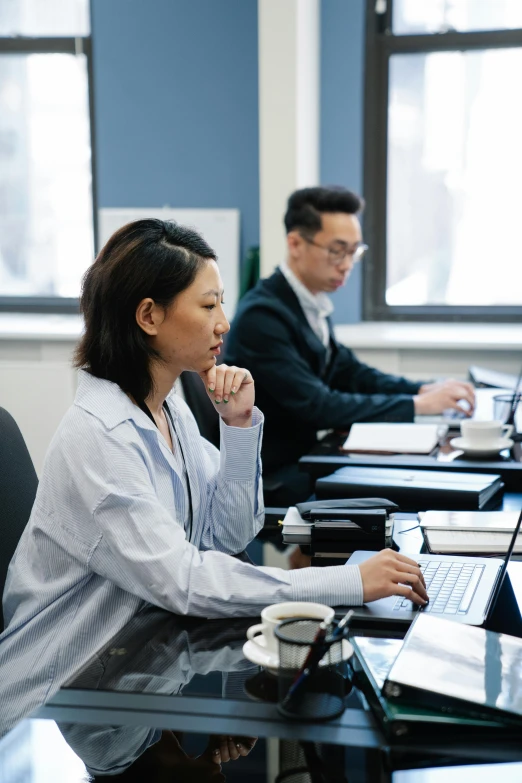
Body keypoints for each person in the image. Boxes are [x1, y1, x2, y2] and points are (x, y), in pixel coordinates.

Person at [0, 220, 427, 720]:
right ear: (149, 316)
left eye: (221, 301)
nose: (224, 321)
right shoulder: (100, 437)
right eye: (208, 305)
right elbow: (185, 581)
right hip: (51, 702)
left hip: (133, 675)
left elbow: (228, 534)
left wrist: (239, 426)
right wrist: (346, 580)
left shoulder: (166, 403)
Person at [224, 187, 475, 506]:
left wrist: (423, 389)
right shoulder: (263, 315)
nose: (346, 265)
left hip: (309, 457)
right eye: (337, 251)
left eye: (354, 252)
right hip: (274, 473)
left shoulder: (310, 302)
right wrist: (416, 405)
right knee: (398, 490)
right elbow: (319, 405)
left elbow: (350, 371)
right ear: (296, 244)